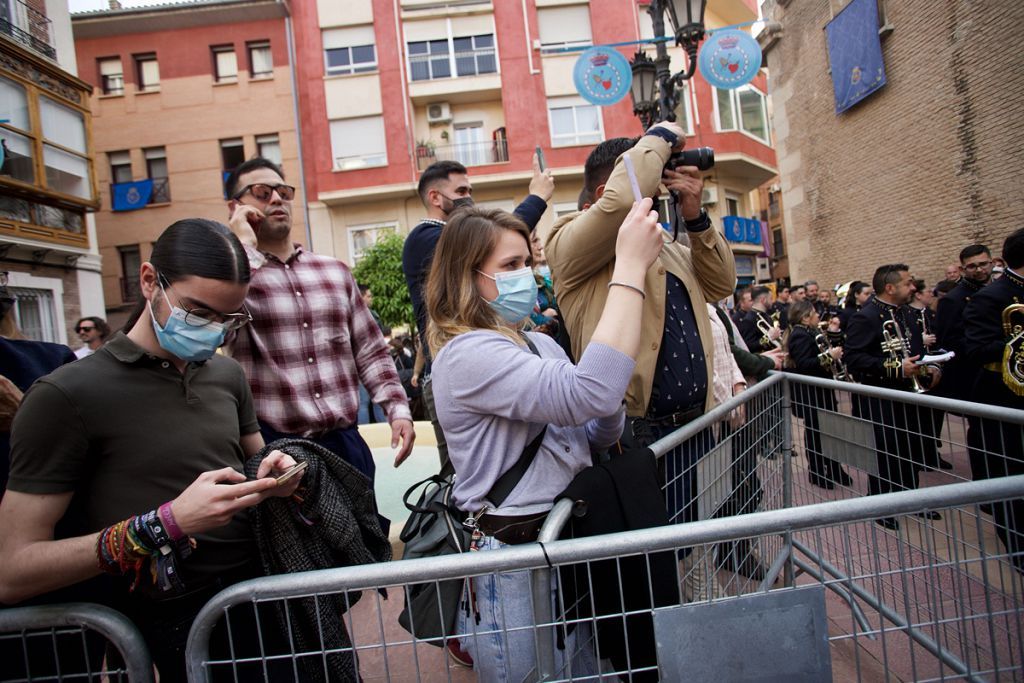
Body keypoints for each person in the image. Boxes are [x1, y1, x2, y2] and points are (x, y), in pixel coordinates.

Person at [0, 219, 304, 682]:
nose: (213, 331)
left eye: (228, 319)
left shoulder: (226, 375)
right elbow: (13, 569)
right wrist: (165, 524)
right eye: (198, 311)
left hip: (258, 602)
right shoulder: (65, 395)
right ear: (149, 281)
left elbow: (258, 463)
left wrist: (279, 474)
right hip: (158, 624)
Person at [425, 201, 665, 681]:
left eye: (528, 263)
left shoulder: (540, 343)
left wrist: (607, 396)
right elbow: (586, 394)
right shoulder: (466, 354)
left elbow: (599, 428)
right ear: (465, 277)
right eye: (510, 266)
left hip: (568, 545)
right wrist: (630, 267)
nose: (527, 276)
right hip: (515, 564)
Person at [544, 122, 737, 526]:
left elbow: (722, 283)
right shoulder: (566, 244)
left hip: (694, 431)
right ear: (605, 192)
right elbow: (618, 206)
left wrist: (695, 217)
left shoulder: (664, 244)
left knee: (695, 541)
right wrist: (660, 137)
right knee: (654, 565)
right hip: (634, 440)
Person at [224, 158, 414, 484]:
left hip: (345, 442)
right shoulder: (236, 279)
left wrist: (397, 409)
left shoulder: (334, 271)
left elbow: (370, 350)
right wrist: (243, 250)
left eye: (283, 191)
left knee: (366, 534)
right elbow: (219, 330)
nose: (276, 199)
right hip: (277, 449)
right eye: (261, 192)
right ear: (236, 206)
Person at [402, 157, 553, 467]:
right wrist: (536, 198)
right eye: (461, 190)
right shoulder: (425, 237)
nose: (469, 197)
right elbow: (493, 242)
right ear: (435, 197)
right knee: (469, 478)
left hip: (486, 366)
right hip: (456, 375)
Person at [844, 265, 940, 529]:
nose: (913, 288)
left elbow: (918, 350)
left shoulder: (908, 313)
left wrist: (932, 366)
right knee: (885, 450)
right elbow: (854, 359)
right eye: (908, 283)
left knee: (910, 446)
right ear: (890, 287)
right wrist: (896, 367)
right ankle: (881, 504)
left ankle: (910, 498)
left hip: (909, 393)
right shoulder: (866, 317)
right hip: (881, 395)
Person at [963, 228, 1024, 574]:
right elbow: (976, 349)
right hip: (1004, 395)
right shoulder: (990, 298)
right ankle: (1017, 544)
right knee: (1010, 470)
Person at [934, 245, 992, 480]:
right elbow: (949, 341)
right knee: (983, 433)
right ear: (963, 268)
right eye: (972, 266)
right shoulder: (954, 299)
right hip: (975, 376)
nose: (979, 270)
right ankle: (984, 483)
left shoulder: (998, 291)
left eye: (983, 264)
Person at [783, 300, 852, 489]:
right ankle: (817, 471)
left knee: (831, 431)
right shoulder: (799, 335)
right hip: (812, 394)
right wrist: (830, 356)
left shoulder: (810, 332)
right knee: (816, 434)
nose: (817, 316)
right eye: (813, 313)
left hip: (822, 392)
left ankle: (834, 467)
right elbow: (804, 363)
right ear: (805, 317)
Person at [737, 285, 781, 352]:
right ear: (763, 300)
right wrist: (768, 338)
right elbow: (749, 346)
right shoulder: (748, 320)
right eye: (771, 298)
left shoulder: (766, 315)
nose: (773, 301)